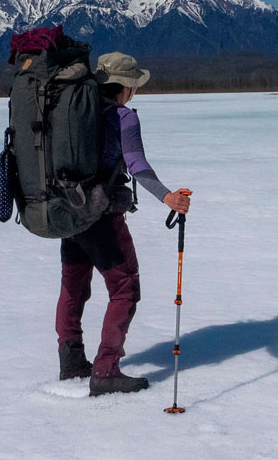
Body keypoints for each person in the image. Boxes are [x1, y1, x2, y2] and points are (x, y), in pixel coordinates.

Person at [55, 52, 191, 397]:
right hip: (100, 215)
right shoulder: (122, 117)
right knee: (125, 286)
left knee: (73, 284)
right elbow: (138, 166)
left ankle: (71, 361)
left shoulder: (73, 111)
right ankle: (105, 370)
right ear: (127, 86)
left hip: (68, 210)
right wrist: (168, 198)